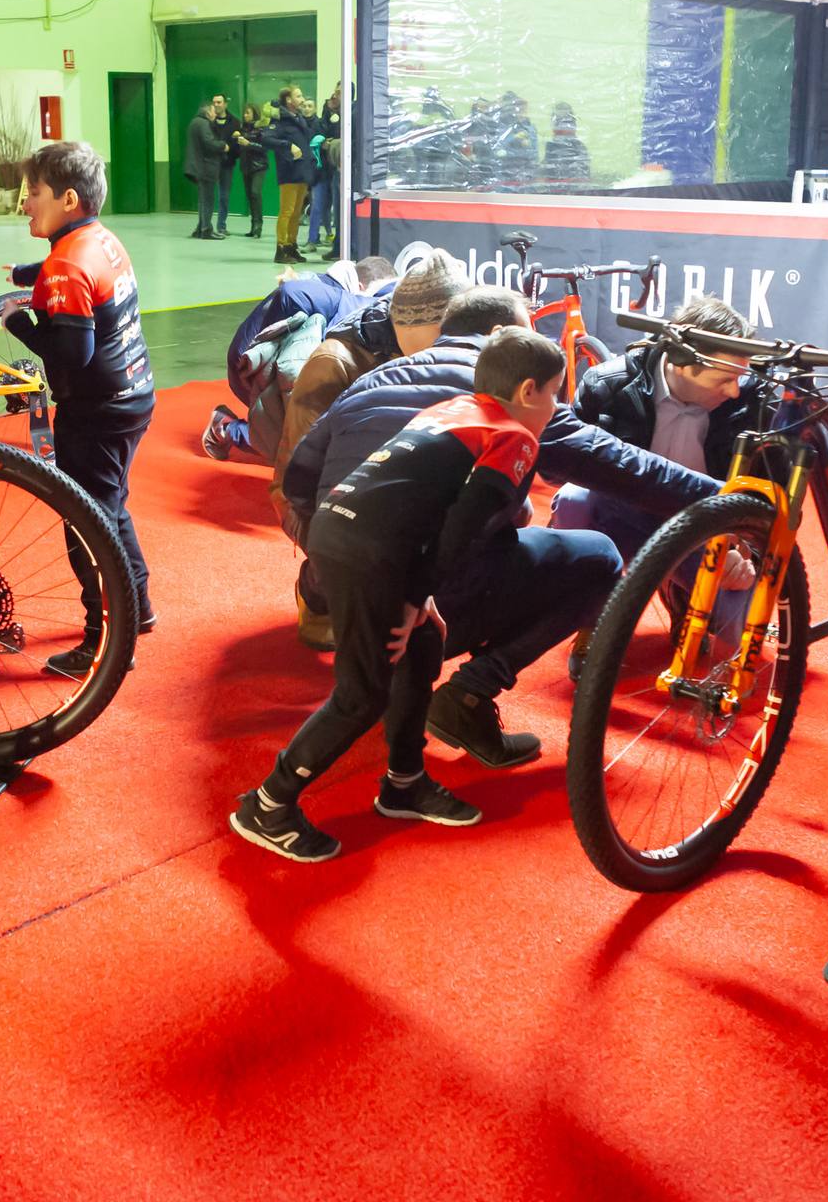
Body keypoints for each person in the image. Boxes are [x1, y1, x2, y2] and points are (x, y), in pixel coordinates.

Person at [282, 286, 718, 765]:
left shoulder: (373, 379)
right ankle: (470, 693)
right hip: (429, 602)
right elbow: (619, 465)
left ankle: (396, 695)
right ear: (501, 336)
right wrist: (726, 494)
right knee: (599, 557)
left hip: (349, 597)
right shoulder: (514, 393)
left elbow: (298, 485)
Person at [230, 329, 578, 863]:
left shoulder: (458, 407)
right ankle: (268, 804)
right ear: (529, 391)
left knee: (420, 646)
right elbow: (464, 528)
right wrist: (417, 593)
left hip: (346, 533)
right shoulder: (515, 435)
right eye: (556, 392)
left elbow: (420, 505)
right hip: (369, 550)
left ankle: (404, 783)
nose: (560, 405)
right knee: (361, 693)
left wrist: (420, 599)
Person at [4, 140, 156, 673]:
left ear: (68, 199)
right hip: (133, 397)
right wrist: (32, 276)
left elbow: (73, 351)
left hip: (96, 411)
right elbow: (75, 272)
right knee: (111, 506)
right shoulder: (98, 238)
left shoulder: (68, 262)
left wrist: (21, 325)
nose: (26, 203)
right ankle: (138, 608)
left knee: (87, 523)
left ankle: (106, 640)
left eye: (35, 193)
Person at [270, 249, 466, 650]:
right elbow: (296, 482)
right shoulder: (335, 363)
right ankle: (317, 590)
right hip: (334, 501)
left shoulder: (456, 353)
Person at [554, 297, 758, 562]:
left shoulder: (751, 400)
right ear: (682, 364)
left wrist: (745, 551)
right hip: (625, 517)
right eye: (725, 379)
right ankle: (588, 588)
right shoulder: (607, 385)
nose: (734, 391)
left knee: (740, 583)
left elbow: (768, 501)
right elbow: (566, 467)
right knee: (576, 498)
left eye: (739, 377)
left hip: (707, 532)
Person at [202, 255, 397, 464]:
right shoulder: (360, 303)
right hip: (253, 368)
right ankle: (229, 429)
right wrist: (263, 349)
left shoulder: (347, 296)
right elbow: (291, 293)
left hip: (248, 362)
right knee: (304, 442)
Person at [261, 85, 316, 264]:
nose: (301, 99)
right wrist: (287, 145)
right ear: (289, 100)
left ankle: (292, 246)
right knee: (287, 211)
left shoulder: (298, 118)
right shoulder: (280, 121)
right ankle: (281, 248)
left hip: (302, 171)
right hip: (289, 171)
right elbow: (266, 139)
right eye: (298, 96)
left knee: (296, 212)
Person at [182, 98, 227, 241]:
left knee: (202, 198)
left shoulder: (194, 122)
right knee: (208, 199)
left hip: (198, 166)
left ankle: (201, 227)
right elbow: (209, 143)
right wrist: (222, 145)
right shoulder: (204, 124)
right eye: (213, 110)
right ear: (208, 111)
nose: (215, 113)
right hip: (207, 166)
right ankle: (206, 229)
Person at [305, 83, 341, 254]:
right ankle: (312, 239)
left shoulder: (345, 121)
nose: (332, 102)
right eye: (330, 100)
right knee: (318, 206)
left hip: (335, 170)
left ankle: (329, 236)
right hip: (321, 172)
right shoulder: (319, 124)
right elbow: (315, 145)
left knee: (331, 209)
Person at [230, 101, 270, 239]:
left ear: (254, 113)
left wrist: (249, 144)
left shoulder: (261, 128)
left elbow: (264, 147)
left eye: (248, 112)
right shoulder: (242, 129)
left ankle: (258, 225)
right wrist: (235, 138)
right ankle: (253, 226)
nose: (245, 115)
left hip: (259, 166)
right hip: (246, 166)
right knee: (249, 196)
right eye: (244, 113)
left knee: (255, 192)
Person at [208, 92, 236, 237]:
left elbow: (237, 145)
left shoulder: (234, 122)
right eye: (214, 102)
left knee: (224, 196)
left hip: (227, 164)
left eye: (219, 102)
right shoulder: (208, 122)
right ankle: (206, 225)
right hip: (211, 163)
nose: (216, 105)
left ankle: (221, 225)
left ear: (225, 104)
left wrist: (230, 150)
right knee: (208, 195)